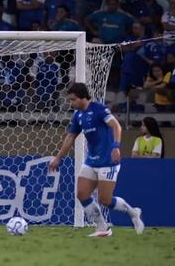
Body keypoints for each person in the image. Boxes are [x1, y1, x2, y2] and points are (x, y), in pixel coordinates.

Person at [49, 83, 144, 237]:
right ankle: (102, 228)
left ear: (82, 98)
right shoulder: (78, 115)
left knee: (105, 200)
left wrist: (115, 146)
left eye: (73, 99)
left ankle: (133, 213)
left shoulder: (99, 110)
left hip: (108, 161)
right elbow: (70, 138)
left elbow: (117, 126)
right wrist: (58, 158)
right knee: (82, 194)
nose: (71, 103)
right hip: (91, 161)